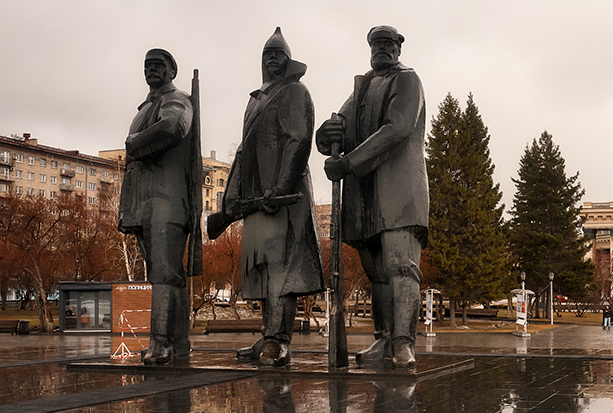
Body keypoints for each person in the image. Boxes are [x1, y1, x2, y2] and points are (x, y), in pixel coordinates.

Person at [316, 26, 428, 369]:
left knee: (401, 268)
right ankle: (384, 338)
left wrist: (348, 162)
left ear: (398, 48)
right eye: (375, 44)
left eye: (387, 44)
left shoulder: (407, 80)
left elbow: (397, 128)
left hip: (398, 192)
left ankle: (403, 342)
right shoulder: (363, 87)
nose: (381, 49)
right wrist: (326, 134)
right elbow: (340, 128)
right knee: (377, 272)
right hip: (364, 197)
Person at [222, 28, 325, 367]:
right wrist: (231, 199)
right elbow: (244, 150)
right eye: (267, 53)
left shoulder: (294, 91)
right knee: (263, 271)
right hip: (257, 198)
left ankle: (279, 341)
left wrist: (281, 187)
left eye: (278, 53)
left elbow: (298, 140)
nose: (271, 58)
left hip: (284, 197)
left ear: (288, 59)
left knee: (282, 272)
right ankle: (268, 335)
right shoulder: (256, 100)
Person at [118, 48, 200, 365]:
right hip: (146, 201)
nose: (151, 70)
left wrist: (133, 143)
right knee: (165, 273)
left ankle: (161, 342)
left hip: (167, 199)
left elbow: (173, 128)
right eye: (147, 65)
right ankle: (176, 342)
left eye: (158, 65)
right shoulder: (146, 107)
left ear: (171, 71)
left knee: (164, 274)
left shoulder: (176, 99)